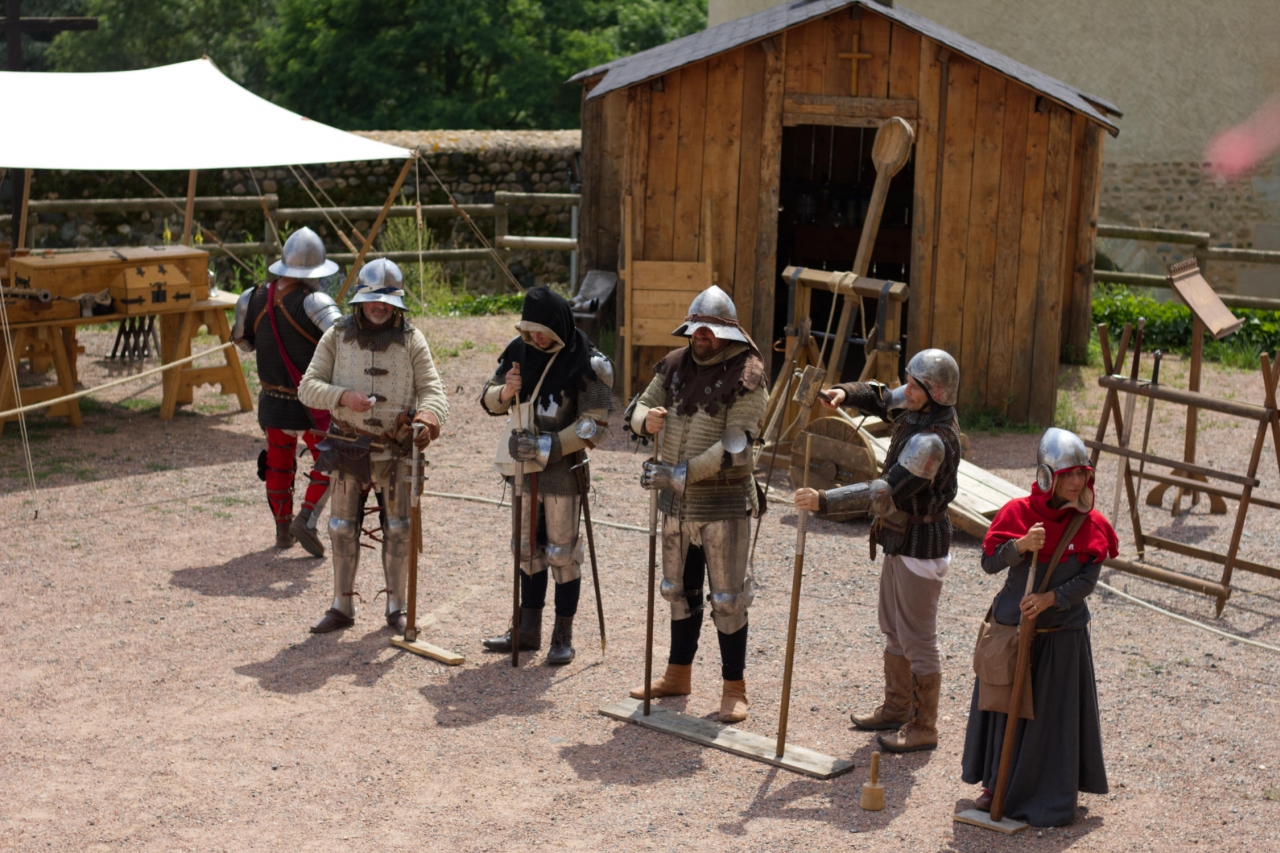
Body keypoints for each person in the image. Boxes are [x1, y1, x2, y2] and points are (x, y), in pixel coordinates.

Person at [794, 349, 962, 752]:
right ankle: (897, 706)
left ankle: (924, 727)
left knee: (918, 638)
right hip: (900, 539)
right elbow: (882, 397)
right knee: (893, 627)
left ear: (933, 392)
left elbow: (885, 490)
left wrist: (825, 500)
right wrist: (842, 394)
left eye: (915, 384)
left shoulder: (932, 444)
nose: (907, 389)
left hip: (921, 547)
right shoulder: (921, 407)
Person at [960, 427, 1116, 826]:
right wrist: (1021, 546)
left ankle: (1050, 794)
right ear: (1048, 476)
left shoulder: (1091, 523)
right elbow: (990, 561)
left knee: (1052, 718)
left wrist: (1051, 599)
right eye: (1069, 475)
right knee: (1003, 712)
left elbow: (1087, 581)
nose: (1077, 482)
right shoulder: (1017, 513)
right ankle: (997, 786)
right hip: (1014, 634)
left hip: (1062, 637)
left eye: (1082, 473)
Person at [627, 285, 767, 723]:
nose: (701, 336)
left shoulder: (748, 374)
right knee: (677, 591)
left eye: (710, 329)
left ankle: (734, 688)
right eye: (697, 329)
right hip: (674, 503)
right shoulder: (674, 365)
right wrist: (643, 419)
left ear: (728, 332)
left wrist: (678, 473)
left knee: (727, 599)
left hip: (722, 501)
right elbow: (641, 404)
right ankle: (677, 674)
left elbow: (738, 447)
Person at [298, 259, 448, 634]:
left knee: (399, 527)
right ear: (360, 300)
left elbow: (433, 390)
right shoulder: (336, 334)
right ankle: (342, 605)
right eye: (373, 299)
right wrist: (343, 396)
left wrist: (428, 418)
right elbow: (308, 386)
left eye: (386, 300)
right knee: (339, 526)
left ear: (396, 302)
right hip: (347, 445)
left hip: (395, 450)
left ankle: (396, 605)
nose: (379, 306)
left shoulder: (412, 339)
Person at [479, 286, 614, 664]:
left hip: (562, 469)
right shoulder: (517, 351)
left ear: (558, 326)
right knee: (525, 551)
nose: (536, 339)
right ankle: (527, 629)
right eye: (530, 331)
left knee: (562, 554)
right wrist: (505, 392)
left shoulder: (589, 361)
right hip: (522, 467)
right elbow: (487, 398)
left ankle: (562, 635)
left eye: (543, 332)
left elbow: (594, 426)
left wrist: (546, 447)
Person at [232, 226, 342, 555]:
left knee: (279, 464)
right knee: (332, 459)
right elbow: (346, 345)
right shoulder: (316, 301)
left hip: (273, 405)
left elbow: (243, 343)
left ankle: (283, 527)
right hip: (311, 404)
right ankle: (306, 520)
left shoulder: (251, 298)